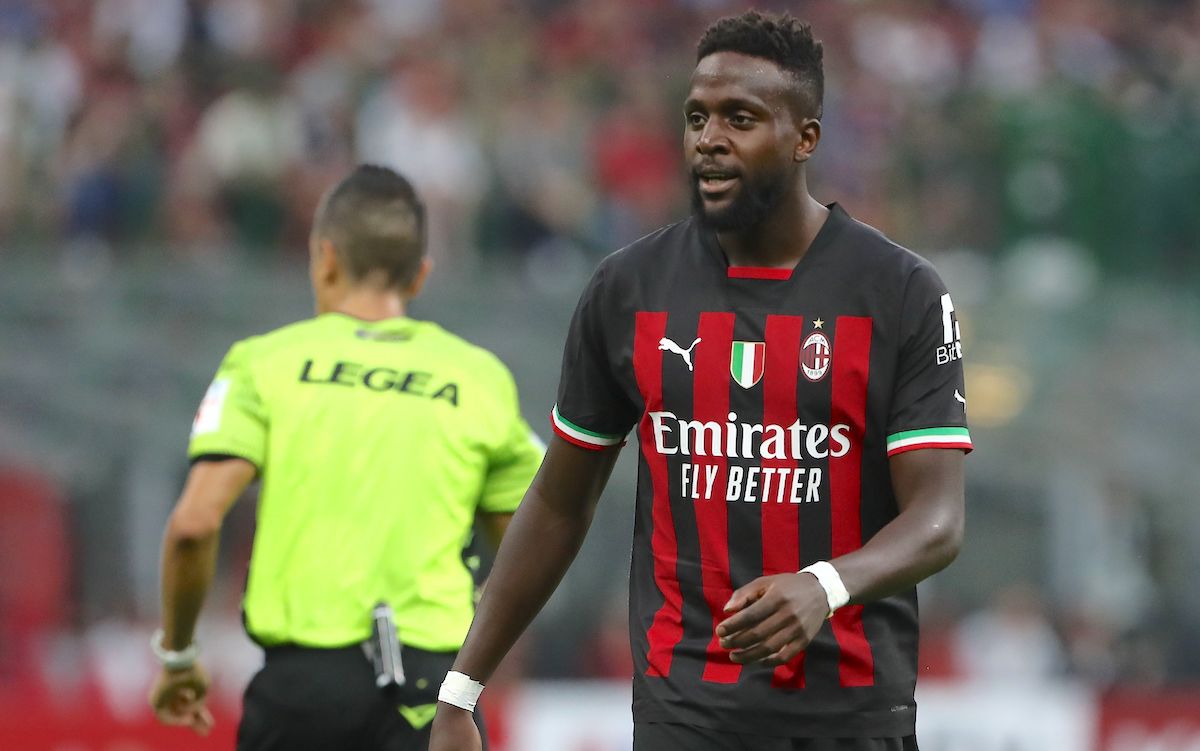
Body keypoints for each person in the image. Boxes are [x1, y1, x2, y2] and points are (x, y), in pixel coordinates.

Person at [430, 11, 970, 751]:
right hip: (682, 719)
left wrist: (825, 584)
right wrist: (462, 688)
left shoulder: (899, 292)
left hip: (850, 721)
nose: (708, 139)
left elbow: (938, 519)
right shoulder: (629, 289)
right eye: (696, 118)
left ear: (806, 137)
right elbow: (559, 501)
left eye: (739, 119)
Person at [147, 164, 543, 750]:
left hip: (302, 696)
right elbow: (538, 540)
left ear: (325, 259)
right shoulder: (478, 378)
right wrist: (483, 614)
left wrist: (179, 654)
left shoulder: (264, 363)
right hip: (435, 692)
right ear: (420, 275)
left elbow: (194, 524)